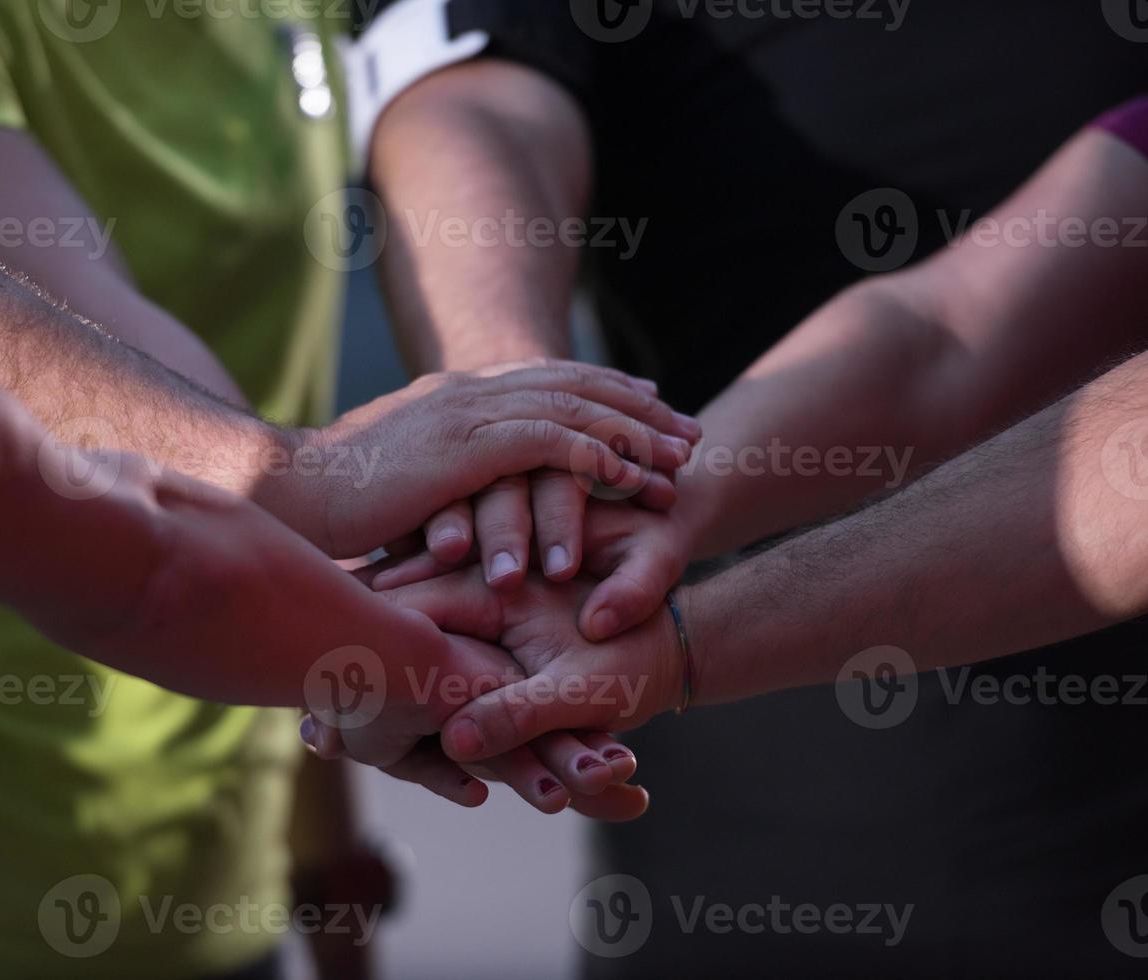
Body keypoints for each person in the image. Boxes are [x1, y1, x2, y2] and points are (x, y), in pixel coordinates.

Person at [0, 3, 696, 970]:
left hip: (221, 899)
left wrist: (325, 854)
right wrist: (446, 629)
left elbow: (269, 413)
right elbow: (150, 490)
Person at [346, 0, 1148, 971]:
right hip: (772, 826)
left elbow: (997, 379)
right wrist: (577, 460)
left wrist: (660, 615)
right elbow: (941, 339)